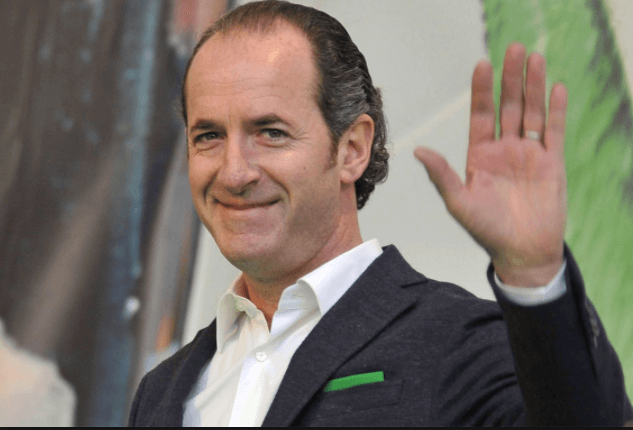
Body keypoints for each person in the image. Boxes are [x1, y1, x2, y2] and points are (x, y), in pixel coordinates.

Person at [128, 1, 633, 426]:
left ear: (352, 149)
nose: (235, 171)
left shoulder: (461, 344)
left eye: (271, 133)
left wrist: (535, 275)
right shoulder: (162, 392)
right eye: (209, 136)